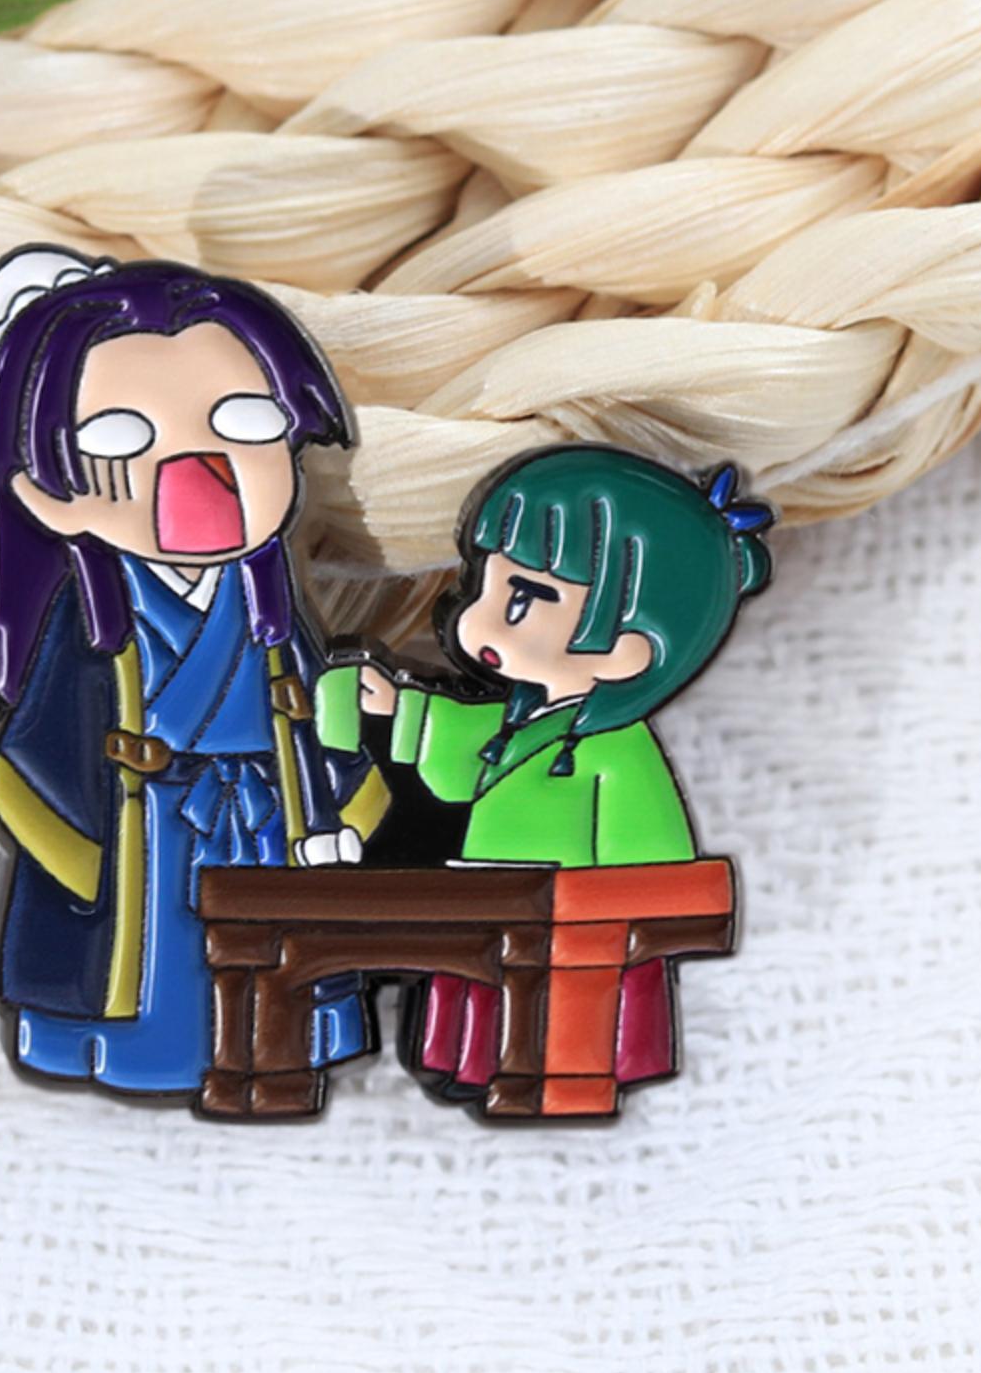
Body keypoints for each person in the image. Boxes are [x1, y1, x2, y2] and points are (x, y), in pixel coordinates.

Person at [0, 247, 388, 1099]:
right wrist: (96, 866)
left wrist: (337, 816)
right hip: (148, 841)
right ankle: (149, 1056)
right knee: (164, 970)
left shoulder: (271, 618)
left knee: (276, 982)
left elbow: (316, 721)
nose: (198, 469)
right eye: (121, 438)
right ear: (44, 489)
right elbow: (35, 761)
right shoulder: (90, 628)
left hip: (269, 826)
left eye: (247, 423)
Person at [319, 444, 772, 1098]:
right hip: (492, 915)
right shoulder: (521, 720)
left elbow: (656, 865)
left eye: (523, 601)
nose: (478, 616)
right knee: (485, 1003)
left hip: (578, 945)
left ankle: (562, 1081)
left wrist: (600, 908)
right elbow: (463, 756)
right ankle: (482, 1068)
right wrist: (396, 706)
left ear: (626, 652)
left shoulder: (616, 753)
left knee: (555, 1030)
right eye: (488, 585)